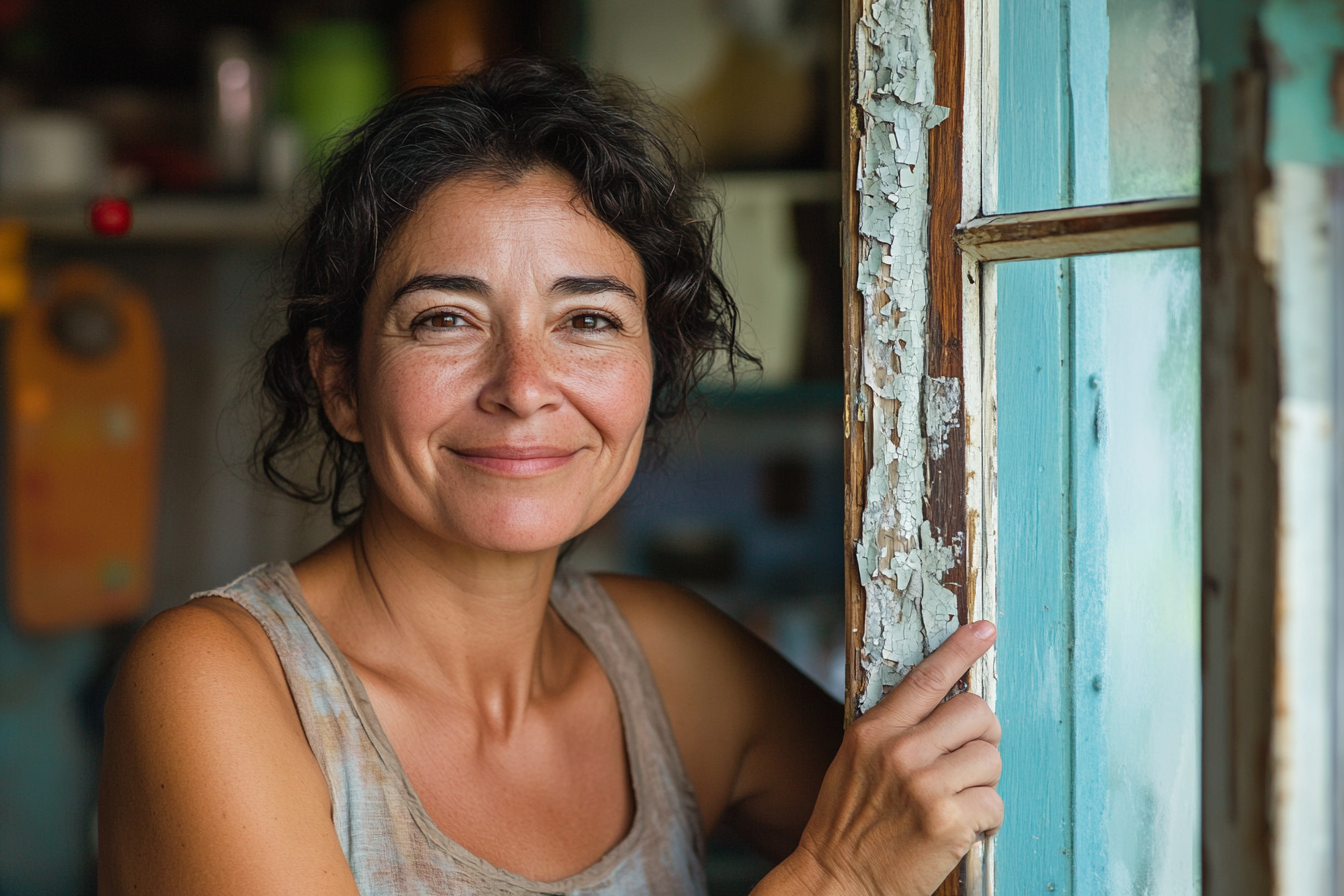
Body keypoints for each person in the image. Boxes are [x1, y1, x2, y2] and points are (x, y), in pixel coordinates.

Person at [97, 58, 1002, 896]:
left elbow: (973, 837)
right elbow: (868, 856)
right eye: (445, 319)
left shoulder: (670, 668)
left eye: (590, 322)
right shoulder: (225, 683)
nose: (524, 387)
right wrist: (840, 878)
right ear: (340, 382)